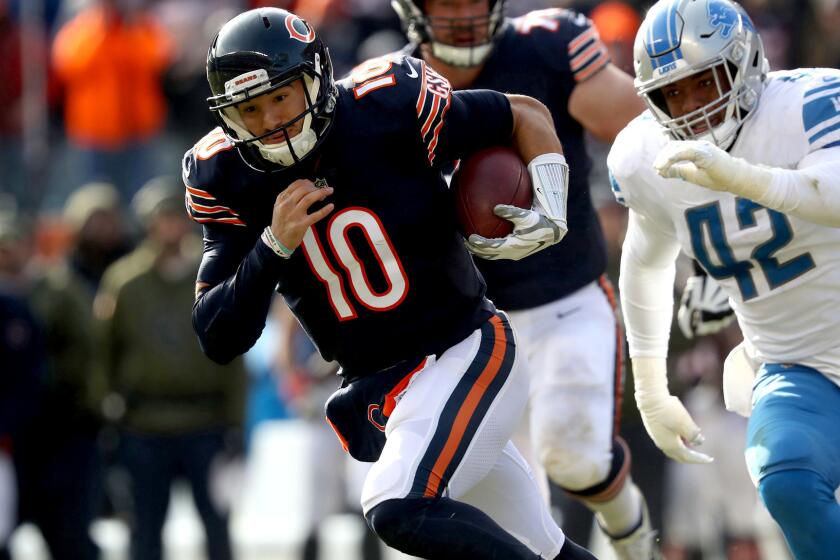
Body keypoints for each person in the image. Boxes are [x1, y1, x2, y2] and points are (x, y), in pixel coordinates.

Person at [186, 7, 595, 559]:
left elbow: (521, 113)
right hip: (385, 387)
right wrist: (271, 246)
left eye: (280, 97)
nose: (269, 121)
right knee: (542, 547)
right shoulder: (223, 174)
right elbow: (217, 336)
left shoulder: (383, 106)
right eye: (250, 109)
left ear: (315, 77)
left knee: (396, 503)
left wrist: (552, 201)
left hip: (463, 349)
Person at [386, 1, 660, 557]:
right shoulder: (390, 91)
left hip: (567, 298)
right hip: (471, 332)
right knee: (507, 517)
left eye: (473, 2)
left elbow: (643, 129)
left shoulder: (546, 45)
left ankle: (632, 536)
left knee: (576, 460)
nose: (462, 15)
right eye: (446, 3)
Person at [607, 0, 840, 558]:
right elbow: (644, 262)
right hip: (797, 363)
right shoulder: (645, 156)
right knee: (784, 477)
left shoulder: (810, 102)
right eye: (673, 94)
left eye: (704, 83)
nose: (691, 108)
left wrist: (744, 178)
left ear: (744, 62)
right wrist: (649, 390)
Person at [95, 177, 246, 560]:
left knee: (216, 526)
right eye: (161, 218)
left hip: (204, 421)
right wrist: (110, 417)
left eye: (177, 217)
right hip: (145, 424)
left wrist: (235, 422)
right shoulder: (124, 282)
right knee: (145, 530)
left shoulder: (212, 273)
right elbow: (105, 356)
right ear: (147, 223)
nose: (170, 226)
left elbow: (233, 353)